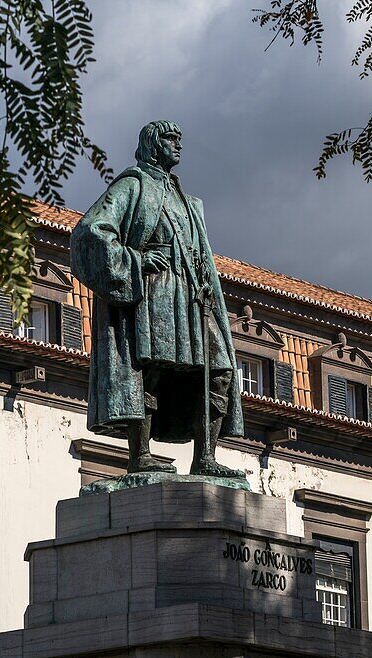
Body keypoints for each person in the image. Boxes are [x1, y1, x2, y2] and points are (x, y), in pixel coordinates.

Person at [71, 120, 245, 477]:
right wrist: (135, 259)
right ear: (152, 144)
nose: (178, 144)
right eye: (170, 138)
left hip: (193, 297)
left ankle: (205, 457)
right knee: (149, 372)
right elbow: (91, 231)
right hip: (153, 291)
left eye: (180, 138)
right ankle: (140, 455)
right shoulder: (132, 185)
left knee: (220, 369)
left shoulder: (187, 199)